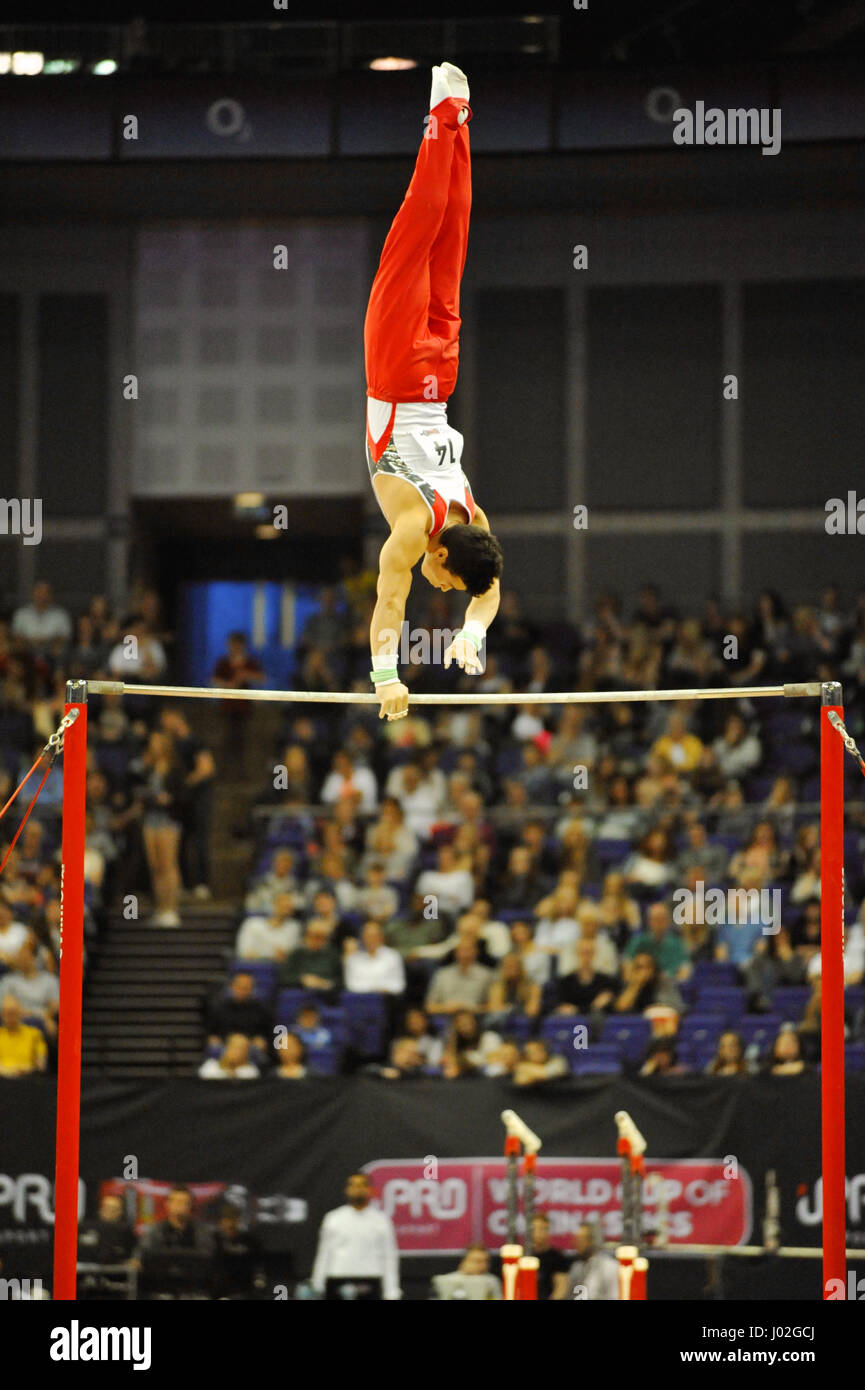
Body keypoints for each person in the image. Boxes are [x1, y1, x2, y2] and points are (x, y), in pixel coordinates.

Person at [364, 63, 503, 723]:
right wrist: (385, 678)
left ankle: (459, 118)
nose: (441, 588)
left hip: (439, 373)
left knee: (450, 243)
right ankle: (441, 117)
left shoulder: (473, 521)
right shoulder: (415, 531)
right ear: (440, 553)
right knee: (415, 238)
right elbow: (389, 603)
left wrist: (474, 634)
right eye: (446, 578)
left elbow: (489, 587)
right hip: (396, 373)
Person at [311, 1172, 401, 1300]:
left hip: (370, 1281)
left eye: (362, 1185)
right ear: (347, 1190)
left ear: (370, 1190)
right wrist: (317, 1284)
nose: (358, 1189)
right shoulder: (333, 1218)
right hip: (337, 1280)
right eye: (353, 1185)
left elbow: (389, 1257)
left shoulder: (382, 1221)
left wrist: (392, 1291)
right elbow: (324, 1253)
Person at [159, 706, 217, 902]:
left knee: (199, 840)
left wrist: (186, 783)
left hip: (199, 798)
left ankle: (202, 884)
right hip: (183, 801)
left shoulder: (194, 741)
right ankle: (185, 884)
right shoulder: (172, 744)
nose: (164, 724)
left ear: (177, 717)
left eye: (167, 719)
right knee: (181, 843)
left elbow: (207, 768)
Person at [136, 1185, 216, 1298]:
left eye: (185, 1202)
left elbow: (208, 1256)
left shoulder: (202, 1231)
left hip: (194, 1290)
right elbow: (143, 1252)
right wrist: (137, 1260)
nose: (181, 1206)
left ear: (191, 1206)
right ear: (167, 1204)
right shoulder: (154, 1231)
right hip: (160, 1290)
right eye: (177, 1202)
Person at [205, 972, 271, 1052]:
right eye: (240, 987)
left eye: (246, 988)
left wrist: (263, 1041)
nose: (243, 991)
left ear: (253, 990)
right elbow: (211, 1033)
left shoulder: (262, 1009)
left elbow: (268, 1033)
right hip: (225, 1049)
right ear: (232, 987)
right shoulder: (219, 1008)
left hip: (251, 1051)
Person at [213, 1203, 266, 1300]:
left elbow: (259, 1264)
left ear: (238, 1220)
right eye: (226, 1220)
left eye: (233, 1219)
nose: (229, 1223)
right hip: (219, 1291)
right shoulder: (215, 1241)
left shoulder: (250, 1241)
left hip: (245, 1291)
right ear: (220, 1222)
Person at [343, 921, 406, 996]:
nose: (371, 940)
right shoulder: (353, 958)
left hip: (387, 999)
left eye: (374, 936)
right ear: (362, 938)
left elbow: (398, 985)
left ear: (381, 937)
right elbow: (351, 985)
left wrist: (381, 990)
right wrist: (373, 989)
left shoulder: (393, 956)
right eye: (367, 936)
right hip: (361, 999)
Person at [562, 1222, 619, 1300]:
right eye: (577, 1239)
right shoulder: (576, 1267)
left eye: (582, 1239)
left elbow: (615, 1296)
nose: (577, 1243)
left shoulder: (610, 1266)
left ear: (593, 1241)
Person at [0, 994, 47, 1076]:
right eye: (8, 1013)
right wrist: (11, 1071)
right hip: (3, 1080)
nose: (11, 1017)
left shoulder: (34, 1033)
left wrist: (29, 1069)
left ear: (20, 1013)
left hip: (28, 1079)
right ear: (2, 1015)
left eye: (14, 1013)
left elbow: (41, 1063)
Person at [432, 1245, 502, 1299]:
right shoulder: (444, 1280)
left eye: (486, 1261)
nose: (483, 1265)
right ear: (465, 1262)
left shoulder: (492, 1281)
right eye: (478, 1261)